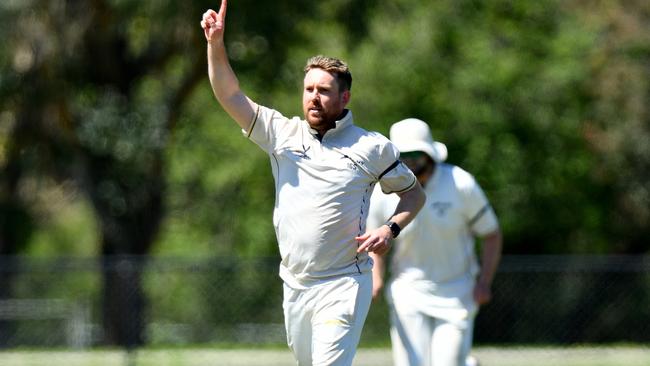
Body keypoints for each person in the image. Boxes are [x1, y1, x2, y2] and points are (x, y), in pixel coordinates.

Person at [200, 2, 426, 365]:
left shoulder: (372, 147)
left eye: (323, 90)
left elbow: (414, 194)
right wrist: (215, 43)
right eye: (308, 89)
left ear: (344, 97)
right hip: (295, 285)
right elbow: (229, 95)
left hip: (343, 283)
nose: (314, 98)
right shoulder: (281, 134)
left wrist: (389, 229)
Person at [367, 118, 502, 366]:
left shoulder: (461, 183)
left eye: (416, 156)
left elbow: (491, 233)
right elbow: (374, 241)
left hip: (457, 292)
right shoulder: (382, 192)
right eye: (404, 157)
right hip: (407, 290)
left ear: (430, 154)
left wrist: (484, 282)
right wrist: (375, 279)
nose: (410, 163)